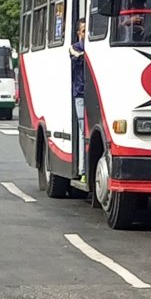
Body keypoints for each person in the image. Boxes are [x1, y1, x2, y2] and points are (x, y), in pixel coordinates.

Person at [69, 18, 86, 180]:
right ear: (78, 33)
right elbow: (78, 56)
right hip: (80, 94)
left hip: (96, 94)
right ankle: (83, 170)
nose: (85, 34)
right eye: (83, 31)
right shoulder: (74, 48)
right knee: (83, 131)